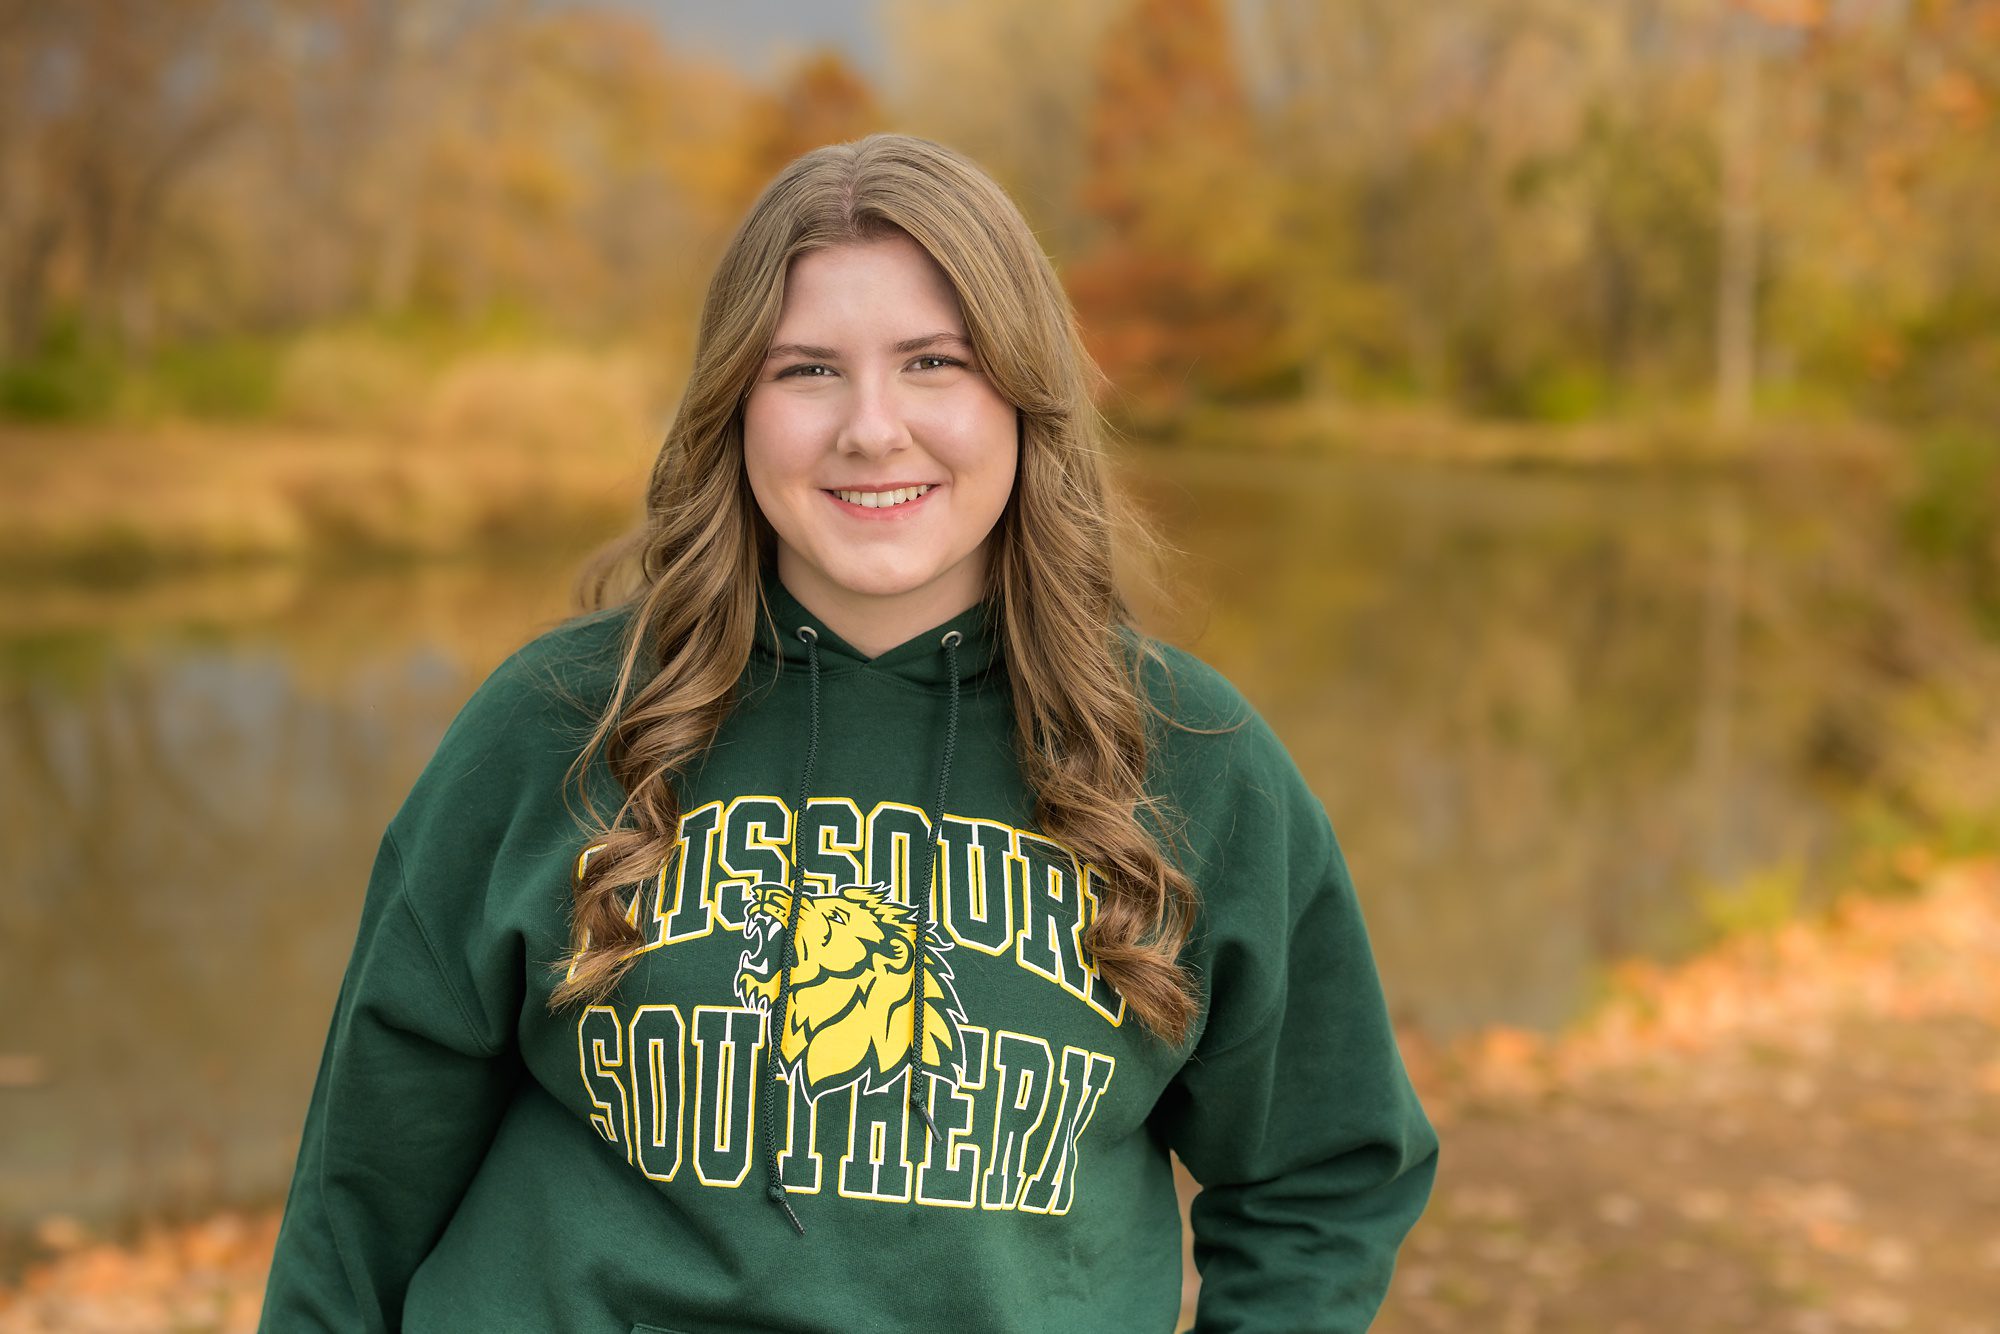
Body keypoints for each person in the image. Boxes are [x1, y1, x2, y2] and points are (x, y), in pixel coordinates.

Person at [259, 133, 1437, 1333]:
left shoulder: (1192, 757)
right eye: (807, 371)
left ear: (1024, 396)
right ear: (735, 405)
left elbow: (1322, 1171)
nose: (870, 429)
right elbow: (359, 1186)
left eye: (934, 361)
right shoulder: (558, 723)